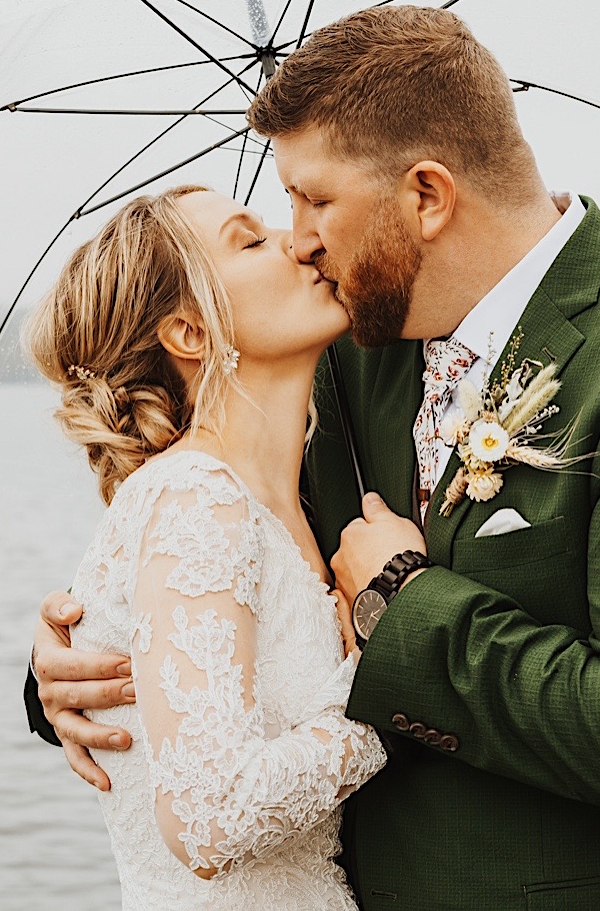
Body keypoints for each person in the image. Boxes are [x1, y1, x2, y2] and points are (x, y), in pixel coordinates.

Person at [30, 6, 600, 910]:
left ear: (428, 196)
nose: (300, 239)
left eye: (315, 199)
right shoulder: (340, 355)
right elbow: (216, 586)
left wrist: (402, 600)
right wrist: (79, 667)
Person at [25, 183, 386, 909]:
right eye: (249, 240)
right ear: (190, 332)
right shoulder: (197, 497)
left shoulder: (277, 504)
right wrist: (392, 681)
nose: (297, 240)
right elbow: (208, 818)